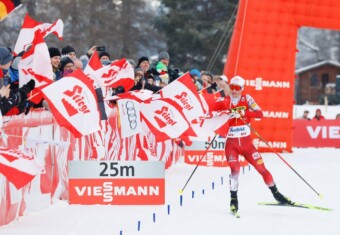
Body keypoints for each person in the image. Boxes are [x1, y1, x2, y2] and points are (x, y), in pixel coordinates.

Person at [217, 76, 292, 214]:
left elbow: (260, 114)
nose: (234, 90)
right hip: (231, 144)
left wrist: (244, 113)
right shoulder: (225, 101)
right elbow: (214, 114)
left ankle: (277, 194)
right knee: (235, 169)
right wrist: (226, 114)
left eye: (237, 88)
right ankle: (233, 200)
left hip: (247, 145)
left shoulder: (247, 99)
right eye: (232, 87)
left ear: (242, 89)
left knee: (262, 168)